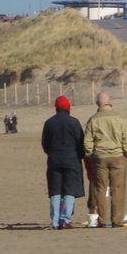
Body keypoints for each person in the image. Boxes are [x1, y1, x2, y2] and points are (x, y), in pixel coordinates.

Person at [83, 91, 127, 228]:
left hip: (100, 158)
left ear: (97, 103)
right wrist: (126, 152)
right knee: (118, 189)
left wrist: (91, 154)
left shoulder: (93, 119)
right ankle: (117, 220)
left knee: (100, 189)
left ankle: (104, 220)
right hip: (118, 156)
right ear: (109, 102)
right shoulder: (119, 118)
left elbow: (87, 142)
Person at [41, 95, 85, 230]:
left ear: (56, 108)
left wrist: (52, 153)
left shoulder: (49, 123)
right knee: (69, 191)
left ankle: (55, 222)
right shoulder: (74, 122)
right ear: (68, 107)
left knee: (55, 191)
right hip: (71, 160)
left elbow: (45, 144)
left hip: (54, 160)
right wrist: (79, 156)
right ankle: (66, 219)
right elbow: (81, 142)